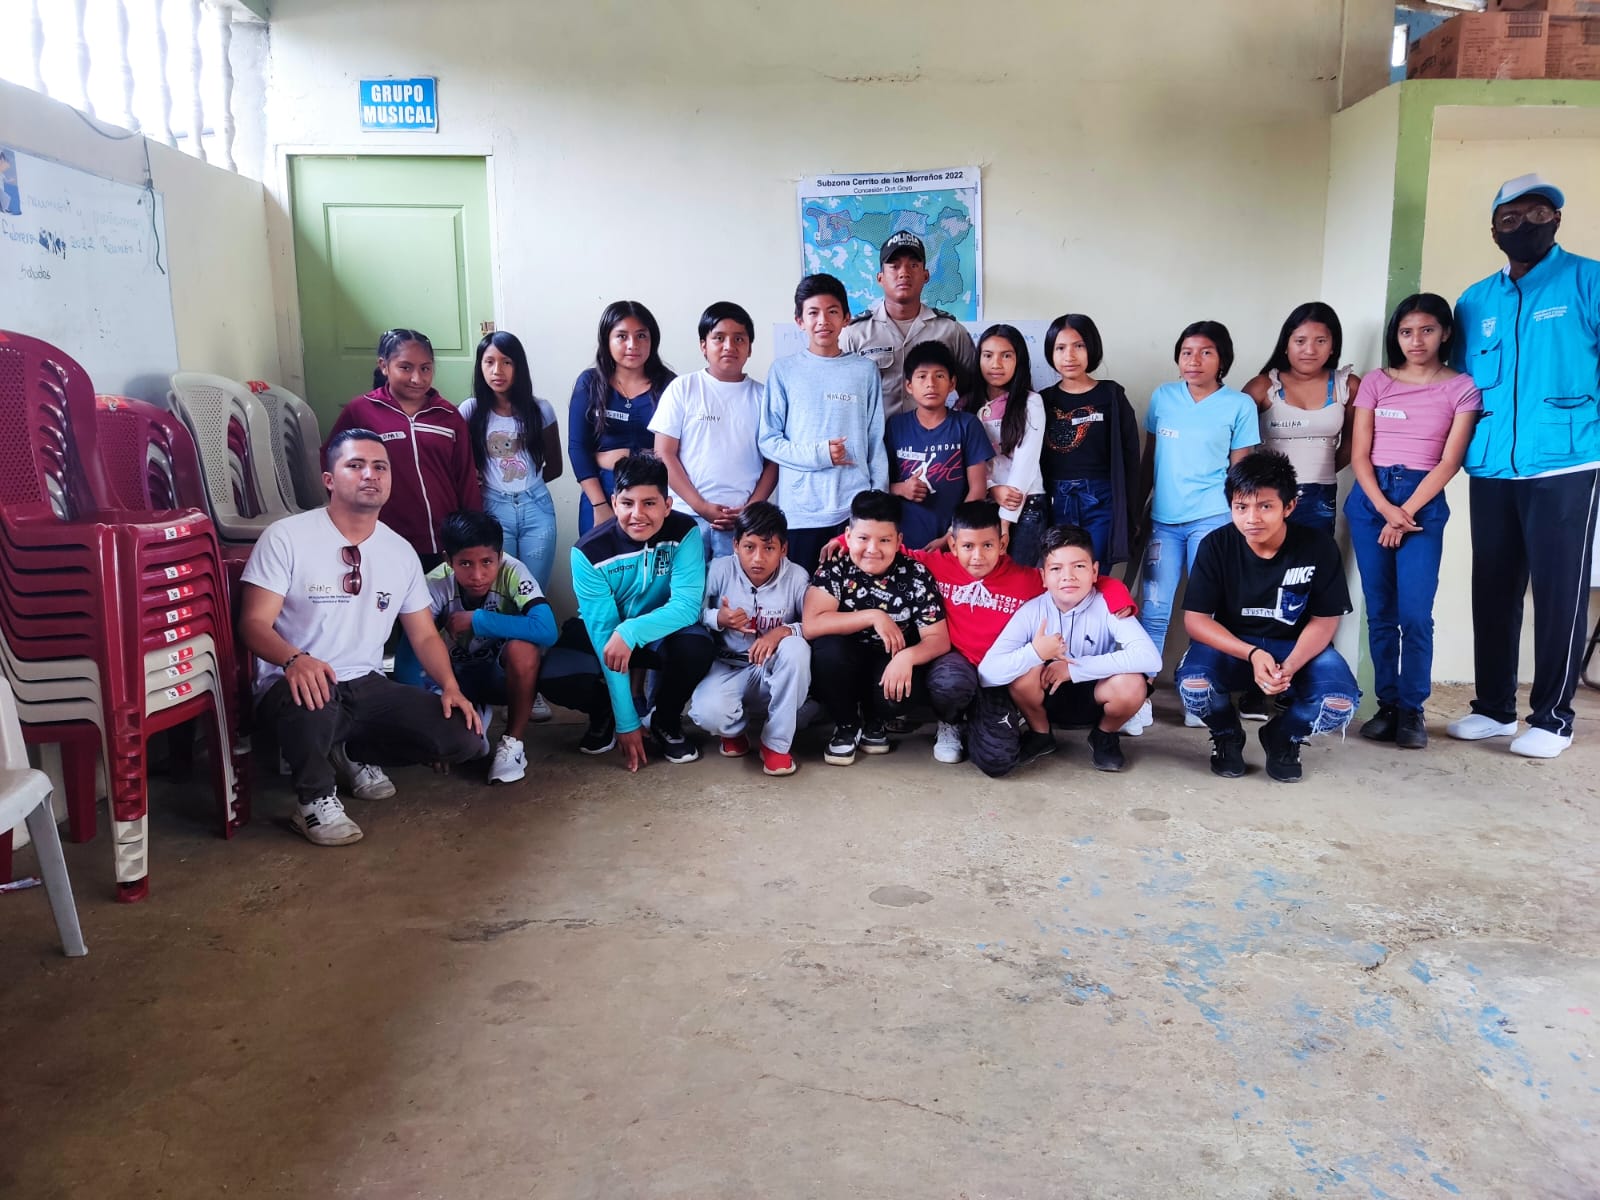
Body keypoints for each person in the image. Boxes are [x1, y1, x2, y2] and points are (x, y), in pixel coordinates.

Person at [239, 429, 485, 847]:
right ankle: (314, 800)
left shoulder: (400, 551)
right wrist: (295, 660)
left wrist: (450, 686)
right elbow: (253, 624)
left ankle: (351, 752)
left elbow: (425, 635)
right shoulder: (287, 537)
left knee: (464, 738)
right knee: (314, 697)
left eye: (380, 467)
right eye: (355, 465)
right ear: (329, 479)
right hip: (294, 681)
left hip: (367, 684)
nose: (370, 474)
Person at [1447, 173, 1600, 760]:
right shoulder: (1475, 301)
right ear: (1494, 231)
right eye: (1510, 218)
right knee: (1492, 587)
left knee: (1559, 593)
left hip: (1565, 462)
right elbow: (1460, 385)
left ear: (1556, 220)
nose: (1525, 225)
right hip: (1491, 464)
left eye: (1538, 214)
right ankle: (1493, 708)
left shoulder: (1588, 280)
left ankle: (1553, 717)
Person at [817, 501, 1136, 767]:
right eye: (968, 546)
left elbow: (1069, 578)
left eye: (988, 546)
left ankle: (998, 721)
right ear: (953, 545)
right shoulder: (936, 565)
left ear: (1003, 544)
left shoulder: (1025, 578)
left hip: (999, 677)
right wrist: (845, 540)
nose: (977, 556)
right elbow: (886, 548)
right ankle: (950, 722)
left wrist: (1116, 590)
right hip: (956, 665)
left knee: (999, 762)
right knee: (949, 682)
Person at [1346, 294, 1481, 751]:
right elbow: (1359, 455)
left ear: (1445, 333)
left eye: (1427, 330)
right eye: (1406, 332)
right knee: (1381, 611)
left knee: (1415, 615)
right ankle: (1387, 706)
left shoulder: (1462, 387)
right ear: (1396, 336)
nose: (1416, 340)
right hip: (1371, 500)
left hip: (1423, 502)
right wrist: (1386, 510)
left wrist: (1404, 514)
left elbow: (1450, 461)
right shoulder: (1376, 382)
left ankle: (1412, 709)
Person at [1175, 450, 1358, 783]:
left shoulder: (1318, 546)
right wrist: (1253, 653)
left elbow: (1325, 620)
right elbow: (1196, 620)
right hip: (1234, 646)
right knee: (1194, 688)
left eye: (1265, 506)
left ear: (1289, 506)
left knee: (1338, 705)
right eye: (1241, 507)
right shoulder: (1216, 545)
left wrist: (1291, 665)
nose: (1252, 518)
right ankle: (1227, 735)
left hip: (1295, 646)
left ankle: (1283, 736)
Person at [394, 510, 614, 784]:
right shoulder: (434, 584)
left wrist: (479, 620)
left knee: (524, 649)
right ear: (448, 560)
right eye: (465, 563)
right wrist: (424, 727)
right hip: (451, 683)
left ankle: (513, 742)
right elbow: (408, 657)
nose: (477, 575)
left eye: (487, 562)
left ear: (500, 556)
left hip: (497, 677)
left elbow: (546, 630)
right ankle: (474, 713)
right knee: (456, 745)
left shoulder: (513, 571)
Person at [1135, 320, 1261, 731]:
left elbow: (1241, 473)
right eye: (1187, 352)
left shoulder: (1239, 405)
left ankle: (1197, 695)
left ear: (1222, 359)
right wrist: (1137, 510)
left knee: (1204, 612)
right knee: (1154, 611)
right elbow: (1150, 458)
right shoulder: (1163, 397)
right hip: (1164, 522)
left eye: (1206, 352)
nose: (1195, 360)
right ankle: (1139, 696)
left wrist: (1241, 525)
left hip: (1213, 520)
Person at [570, 452, 713, 770]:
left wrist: (630, 631)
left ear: (667, 505)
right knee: (558, 673)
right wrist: (627, 722)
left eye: (649, 503)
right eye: (627, 503)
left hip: (655, 633)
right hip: (609, 638)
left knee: (697, 646)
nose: (638, 514)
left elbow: (687, 607)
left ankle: (665, 720)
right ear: (614, 502)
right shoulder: (587, 552)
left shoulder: (685, 532)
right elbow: (604, 635)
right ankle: (606, 714)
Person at [978, 525, 1159, 775]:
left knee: (1133, 684)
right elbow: (987, 673)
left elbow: (1151, 659)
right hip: (1047, 696)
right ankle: (1040, 734)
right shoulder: (1031, 610)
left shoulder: (1111, 606)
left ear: (1094, 571)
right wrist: (1035, 653)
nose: (1068, 576)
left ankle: (1104, 734)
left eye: (1079, 566)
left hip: (1096, 695)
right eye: (1056, 568)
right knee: (1022, 673)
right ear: (1043, 577)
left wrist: (1073, 670)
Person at [803, 490, 951, 765]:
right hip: (846, 661)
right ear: (848, 536)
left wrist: (907, 657)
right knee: (827, 650)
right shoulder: (835, 567)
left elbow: (938, 639)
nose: (872, 549)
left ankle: (876, 720)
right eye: (863, 538)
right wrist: (873, 616)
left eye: (884, 540)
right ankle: (846, 725)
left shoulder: (916, 574)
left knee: (903, 689)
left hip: (890, 660)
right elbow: (812, 624)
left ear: (899, 541)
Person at [758, 273, 888, 573]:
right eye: (813, 313)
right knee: (804, 592)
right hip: (801, 512)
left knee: (853, 593)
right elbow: (768, 441)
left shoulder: (864, 371)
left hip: (854, 512)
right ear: (799, 321)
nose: (823, 321)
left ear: (846, 318)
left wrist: (876, 505)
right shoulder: (784, 371)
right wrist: (821, 454)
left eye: (832, 312)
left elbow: (875, 440)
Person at [326, 329, 482, 569]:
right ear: (384, 366)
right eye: (405, 367)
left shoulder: (449, 416)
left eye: (425, 368)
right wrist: (349, 514)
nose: (417, 378)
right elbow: (331, 462)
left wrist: (473, 534)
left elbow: (465, 477)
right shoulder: (360, 412)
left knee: (438, 594)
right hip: (382, 538)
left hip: (443, 541)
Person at [687, 502, 812, 777]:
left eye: (769, 548)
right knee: (708, 713)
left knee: (796, 648)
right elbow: (689, 612)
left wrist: (781, 632)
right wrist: (718, 618)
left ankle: (775, 745)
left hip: (772, 670)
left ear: (783, 549)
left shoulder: (797, 577)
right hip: (728, 667)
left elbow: (813, 624)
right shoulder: (718, 570)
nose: (758, 558)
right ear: (735, 545)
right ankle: (735, 731)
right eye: (749, 547)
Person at [650, 302, 777, 559]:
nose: (729, 346)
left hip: (743, 522)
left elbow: (774, 461)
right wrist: (701, 506)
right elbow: (664, 453)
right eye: (719, 338)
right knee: (686, 583)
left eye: (739, 339)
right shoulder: (682, 388)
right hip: (685, 516)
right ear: (703, 345)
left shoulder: (765, 397)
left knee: (733, 585)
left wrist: (752, 508)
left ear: (750, 347)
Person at [1243, 302, 1360, 536]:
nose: (1310, 350)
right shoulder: (1262, 386)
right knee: (1267, 556)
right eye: (1300, 341)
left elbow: (1351, 444)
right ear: (1286, 345)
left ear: (1333, 346)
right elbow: (1236, 444)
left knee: (1313, 556)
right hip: (1267, 493)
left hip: (1321, 496)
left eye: (1320, 341)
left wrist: (1318, 475)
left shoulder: (1347, 385)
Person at [460, 331, 563, 589]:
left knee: (533, 589)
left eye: (507, 362)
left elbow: (555, 466)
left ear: (519, 366)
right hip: (493, 508)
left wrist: (525, 485)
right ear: (480, 366)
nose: (498, 370)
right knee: (499, 590)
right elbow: (459, 463)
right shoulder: (471, 410)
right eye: (489, 362)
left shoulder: (540, 409)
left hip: (536, 507)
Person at [1039, 314, 1141, 572]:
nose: (1069, 356)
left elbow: (1130, 456)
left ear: (1092, 348)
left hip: (1101, 501)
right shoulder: (1042, 400)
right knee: (1062, 575)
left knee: (1095, 573)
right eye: (1060, 348)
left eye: (1079, 346)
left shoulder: (1112, 395)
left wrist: (1131, 510)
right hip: (1056, 502)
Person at [839, 231, 979, 418]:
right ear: (880, 278)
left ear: (926, 275)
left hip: (933, 435)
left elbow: (973, 390)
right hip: (877, 436)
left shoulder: (951, 331)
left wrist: (957, 426)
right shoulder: (855, 333)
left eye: (913, 265)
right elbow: (839, 395)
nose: (904, 273)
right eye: (894, 266)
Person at [568, 301, 675, 535]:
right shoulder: (589, 383)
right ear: (607, 339)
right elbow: (578, 448)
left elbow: (678, 448)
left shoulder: (670, 385)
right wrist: (599, 505)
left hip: (653, 492)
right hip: (603, 488)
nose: (632, 345)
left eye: (641, 336)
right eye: (622, 336)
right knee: (599, 555)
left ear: (652, 340)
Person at [885, 341, 993, 550]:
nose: (931, 384)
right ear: (909, 386)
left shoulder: (967, 425)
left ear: (952, 383)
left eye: (939, 376)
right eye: (922, 376)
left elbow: (978, 489)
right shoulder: (895, 426)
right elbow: (879, 483)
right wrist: (902, 489)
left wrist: (952, 535)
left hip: (955, 542)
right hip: (902, 543)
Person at [974, 324, 1049, 567]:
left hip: (1025, 504)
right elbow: (968, 460)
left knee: (1016, 578)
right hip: (985, 501)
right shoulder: (968, 404)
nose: (996, 364)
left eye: (1006, 356)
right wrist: (991, 488)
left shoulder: (1031, 402)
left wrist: (1005, 521)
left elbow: (1025, 463)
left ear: (1019, 360)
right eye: (988, 355)